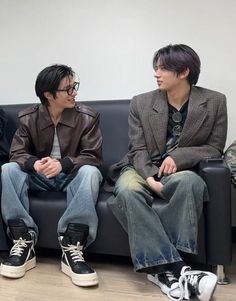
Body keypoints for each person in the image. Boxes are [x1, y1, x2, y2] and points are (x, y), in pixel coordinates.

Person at [105, 44, 227, 301]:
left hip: (181, 170)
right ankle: (179, 269)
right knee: (126, 190)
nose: (156, 73)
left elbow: (214, 147)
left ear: (183, 71)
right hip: (140, 167)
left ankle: (162, 272)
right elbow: (137, 148)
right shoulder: (141, 102)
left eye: (162, 68)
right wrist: (149, 178)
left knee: (190, 184)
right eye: (156, 67)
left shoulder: (214, 101)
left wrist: (178, 157)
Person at [0, 64, 103, 287]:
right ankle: (22, 238)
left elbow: (93, 156)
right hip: (40, 176)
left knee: (91, 172)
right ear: (48, 94)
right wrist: (34, 163)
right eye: (68, 89)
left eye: (74, 86)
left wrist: (63, 164)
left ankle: (73, 244)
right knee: (8, 169)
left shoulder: (88, 117)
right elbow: (16, 153)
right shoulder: (28, 118)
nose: (74, 92)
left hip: (71, 176)